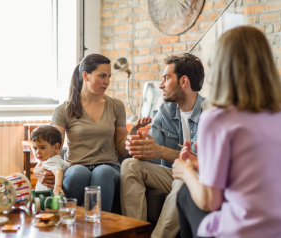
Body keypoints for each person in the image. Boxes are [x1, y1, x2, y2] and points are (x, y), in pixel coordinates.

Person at [173, 26, 281, 238]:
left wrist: (186, 171)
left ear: (220, 69)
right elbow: (255, 172)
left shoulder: (217, 117)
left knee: (186, 194)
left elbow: (210, 200)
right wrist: (201, 162)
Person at [34, 54, 151, 211]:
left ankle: (100, 228)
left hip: (108, 166)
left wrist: (134, 130)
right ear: (85, 76)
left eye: (109, 76)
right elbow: (51, 147)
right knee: (78, 173)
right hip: (75, 165)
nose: (107, 82)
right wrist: (39, 167)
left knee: (103, 172)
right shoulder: (63, 110)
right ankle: (69, 224)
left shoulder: (116, 106)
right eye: (102, 76)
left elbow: (122, 149)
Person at [121, 53, 205, 238]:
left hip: (198, 177)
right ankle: (134, 234)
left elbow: (203, 162)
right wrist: (136, 142)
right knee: (130, 166)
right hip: (170, 174)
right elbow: (150, 152)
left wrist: (160, 151)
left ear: (184, 81)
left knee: (184, 178)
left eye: (166, 78)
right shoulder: (165, 111)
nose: (161, 84)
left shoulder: (210, 114)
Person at [31, 125, 70, 196]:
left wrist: (57, 187)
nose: (37, 152)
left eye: (42, 148)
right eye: (35, 148)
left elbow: (58, 172)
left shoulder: (51, 160)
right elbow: (69, 165)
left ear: (55, 147)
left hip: (48, 196)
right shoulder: (56, 159)